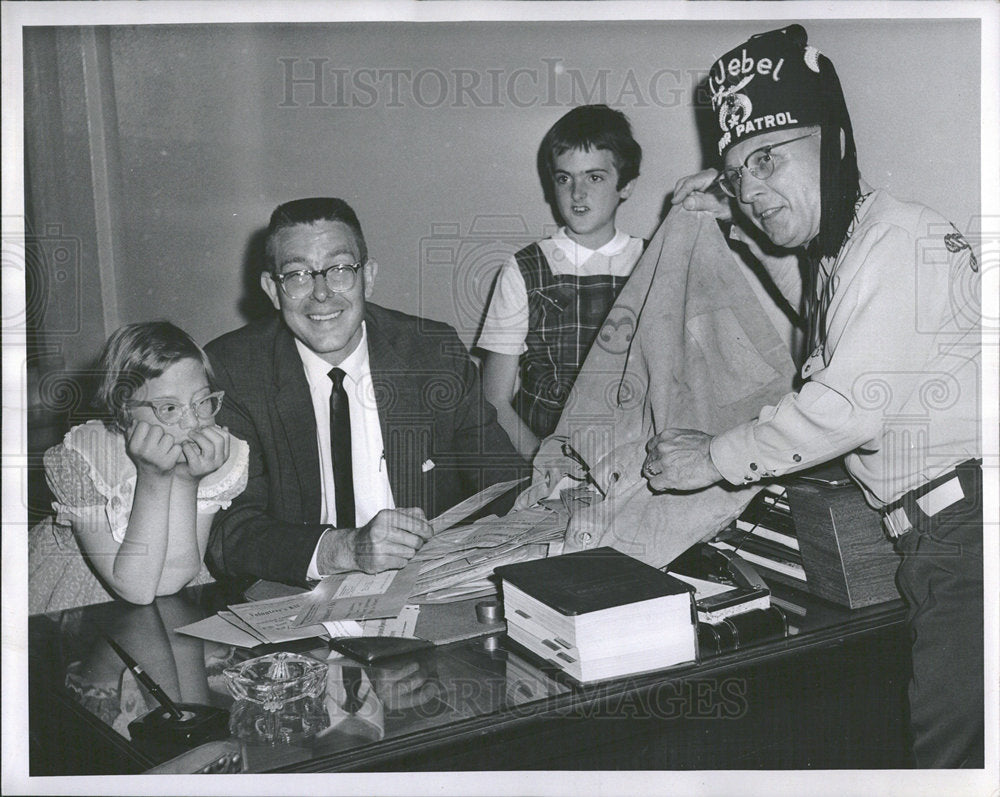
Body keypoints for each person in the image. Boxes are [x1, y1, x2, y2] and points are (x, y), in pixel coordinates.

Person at [642, 25, 982, 768]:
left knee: (950, 752)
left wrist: (711, 458)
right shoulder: (845, 250)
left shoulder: (899, 239)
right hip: (927, 538)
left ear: (833, 142)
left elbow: (846, 403)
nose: (753, 187)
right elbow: (816, 324)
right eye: (737, 174)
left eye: (768, 158)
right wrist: (731, 220)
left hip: (971, 535)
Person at [205, 197, 525, 587]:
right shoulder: (235, 369)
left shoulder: (431, 353)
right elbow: (228, 534)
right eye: (298, 275)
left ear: (368, 277)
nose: (321, 293)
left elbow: (505, 487)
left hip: (427, 588)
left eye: (340, 270)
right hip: (296, 594)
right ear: (273, 290)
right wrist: (345, 549)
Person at [28, 322, 249, 613]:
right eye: (169, 408)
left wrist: (185, 481)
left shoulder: (209, 457)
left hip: (165, 594)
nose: (193, 423)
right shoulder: (83, 459)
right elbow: (136, 589)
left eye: (202, 402)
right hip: (90, 597)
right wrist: (153, 477)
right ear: (123, 412)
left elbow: (175, 578)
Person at [477, 104, 645, 459]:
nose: (577, 193)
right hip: (540, 453)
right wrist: (543, 461)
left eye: (594, 177)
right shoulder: (524, 268)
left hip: (628, 457)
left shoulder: (652, 263)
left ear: (626, 185)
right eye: (564, 178)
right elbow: (494, 398)